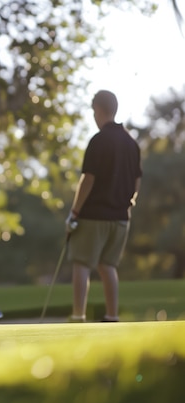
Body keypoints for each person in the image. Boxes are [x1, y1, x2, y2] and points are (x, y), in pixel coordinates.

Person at [66, 90, 142, 322]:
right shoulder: (132, 143)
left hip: (94, 215)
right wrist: (130, 201)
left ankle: (78, 315)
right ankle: (112, 316)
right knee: (107, 265)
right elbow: (137, 180)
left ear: (98, 110)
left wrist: (75, 211)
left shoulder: (98, 141)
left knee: (82, 263)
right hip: (121, 216)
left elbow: (88, 179)